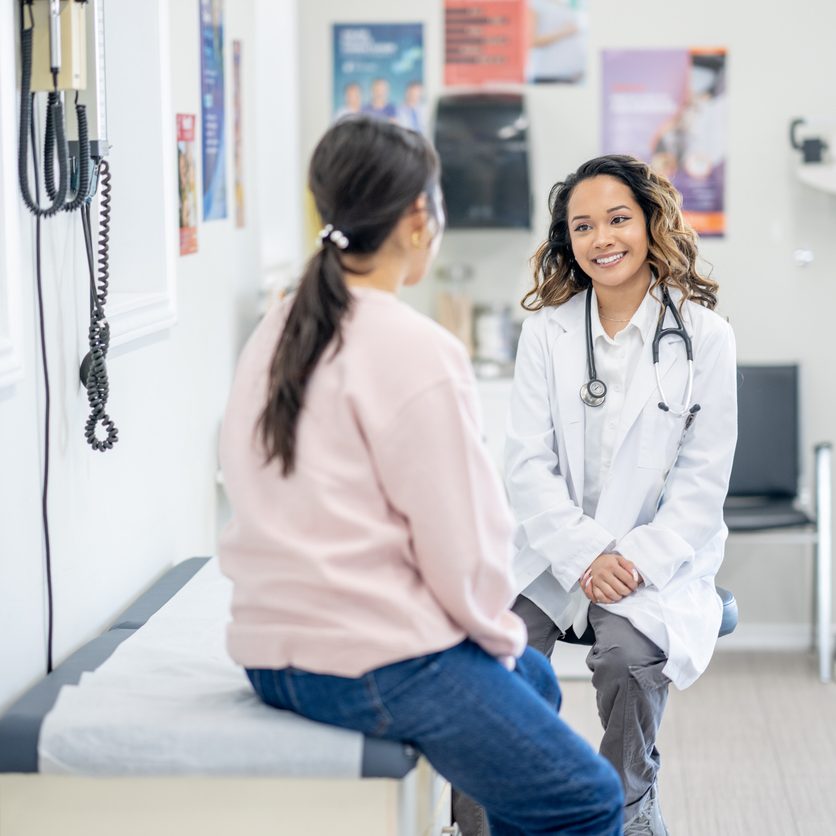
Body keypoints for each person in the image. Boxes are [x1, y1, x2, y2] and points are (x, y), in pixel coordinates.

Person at [218, 116, 623, 836]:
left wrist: (503, 657)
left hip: (268, 647)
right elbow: (463, 550)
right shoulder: (415, 348)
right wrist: (496, 636)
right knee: (586, 796)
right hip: (367, 660)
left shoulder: (278, 327)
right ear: (417, 218)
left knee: (533, 683)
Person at [505, 155, 737, 835]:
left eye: (617, 219)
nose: (602, 238)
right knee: (495, 654)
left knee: (627, 660)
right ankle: (491, 807)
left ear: (650, 223)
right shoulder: (545, 333)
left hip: (656, 555)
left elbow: (703, 481)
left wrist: (629, 560)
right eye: (583, 226)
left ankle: (628, 807)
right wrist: (582, 554)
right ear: (566, 242)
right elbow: (525, 464)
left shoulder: (705, 339)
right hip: (552, 546)